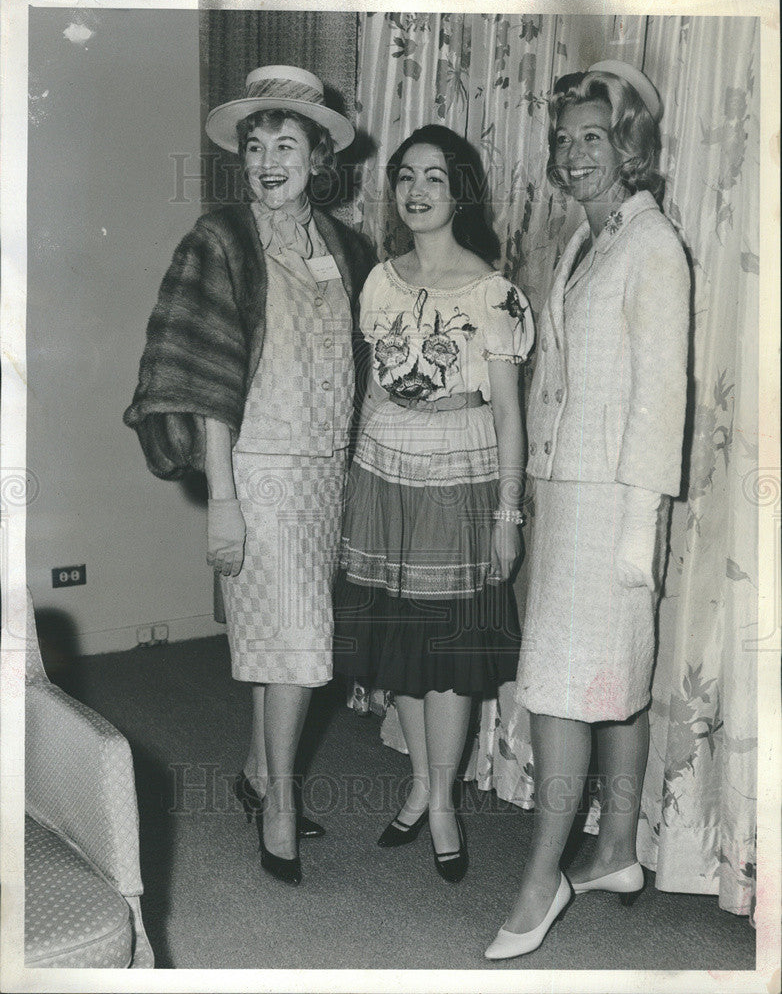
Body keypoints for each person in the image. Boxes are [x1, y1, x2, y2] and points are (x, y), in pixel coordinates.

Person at [124, 66, 375, 886]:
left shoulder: (347, 246)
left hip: (325, 471)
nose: (269, 160)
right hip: (258, 470)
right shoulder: (222, 238)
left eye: (286, 143)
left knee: (281, 639)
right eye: (256, 145)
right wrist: (222, 500)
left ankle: (258, 772)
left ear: (317, 156)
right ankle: (276, 805)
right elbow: (202, 380)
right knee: (300, 644)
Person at [484, 61, 689, 958]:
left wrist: (641, 531)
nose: (572, 155)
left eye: (592, 138)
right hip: (568, 489)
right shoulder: (585, 241)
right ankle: (613, 849)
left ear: (630, 144)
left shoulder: (654, 247)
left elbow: (661, 400)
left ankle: (544, 878)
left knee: (567, 682)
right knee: (612, 676)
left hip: (615, 501)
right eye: (564, 139)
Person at [334, 125, 534, 883]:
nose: (416, 191)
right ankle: (419, 784)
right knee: (400, 650)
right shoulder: (380, 283)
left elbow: (510, 414)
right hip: (385, 477)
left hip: (459, 482)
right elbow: (371, 391)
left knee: (448, 653)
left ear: (460, 194)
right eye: (406, 177)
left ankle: (443, 802)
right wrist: (352, 481)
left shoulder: (494, 293)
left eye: (434, 179)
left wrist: (508, 515)